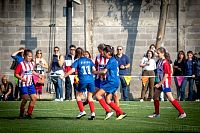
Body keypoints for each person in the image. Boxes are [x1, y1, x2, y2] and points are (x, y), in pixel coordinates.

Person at [148, 47, 186, 119]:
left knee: (170, 98)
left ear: (162, 53)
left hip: (165, 83)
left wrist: (159, 83)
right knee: (155, 96)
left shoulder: (165, 62)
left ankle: (182, 113)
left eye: (158, 53)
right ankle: (157, 114)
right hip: (160, 82)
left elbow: (166, 75)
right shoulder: (159, 61)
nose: (157, 54)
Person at [94, 45, 127, 120]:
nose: (103, 54)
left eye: (104, 53)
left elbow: (104, 71)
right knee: (108, 100)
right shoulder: (113, 60)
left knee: (98, 95)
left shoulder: (111, 60)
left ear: (108, 53)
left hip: (111, 82)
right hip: (114, 81)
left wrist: (95, 72)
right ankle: (121, 113)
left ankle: (108, 111)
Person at [62, 47, 96, 120]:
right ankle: (93, 112)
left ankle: (82, 111)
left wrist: (64, 76)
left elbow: (72, 70)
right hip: (91, 80)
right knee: (90, 97)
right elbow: (94, 70)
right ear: (83, 53)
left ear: (77, 54)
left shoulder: (77, 60)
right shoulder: (89, 60)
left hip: (83, 80)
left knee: (78, 96)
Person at [15, 49, 40, 118]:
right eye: (29, 56)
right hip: (23, 84)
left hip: (30, 84)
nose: (30, 58)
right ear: (25, 56)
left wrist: (38, 75)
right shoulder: (21, 64)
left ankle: (29, 113)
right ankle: (21, 114)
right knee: (25, 98)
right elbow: (16, 74)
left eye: (31, 56)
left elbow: (32, 72)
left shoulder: (32, 63)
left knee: (34, 98)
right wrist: (21, 78)